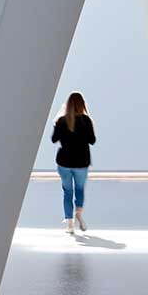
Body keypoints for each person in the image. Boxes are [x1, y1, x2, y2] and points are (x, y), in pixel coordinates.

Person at [52, 91, 95, 234]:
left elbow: (53, 139)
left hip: (64, 162)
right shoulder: (86, 121)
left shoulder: (61, 121)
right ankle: (79, 213)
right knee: (79, 190)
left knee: (67, 192)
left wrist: (57, 125)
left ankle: (69, 224)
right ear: (82, 105)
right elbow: (92, 140)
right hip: (81, 162)